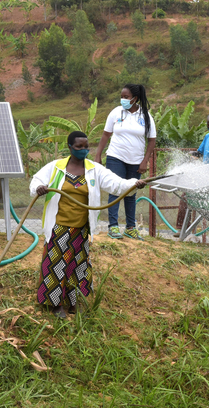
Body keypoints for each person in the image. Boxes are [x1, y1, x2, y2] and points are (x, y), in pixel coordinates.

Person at [31, 131, 147, 318]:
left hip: (81, 229)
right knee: (56, 265)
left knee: (79, 265)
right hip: (59, 227)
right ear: (70, 147)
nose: (84, 150)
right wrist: (38, 188)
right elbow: (37, 179)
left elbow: (116, 184)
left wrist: (134, 183)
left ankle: (75, 303)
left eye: (86, 147)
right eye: (79, 147)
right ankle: (55, 305)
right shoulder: (56, 167)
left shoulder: (94, 169)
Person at [94, 84, 157, 240]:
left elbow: (152, 140)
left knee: (130, 192)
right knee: (115, 190)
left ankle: (130, 227)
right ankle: (113, 227)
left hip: (135, 161)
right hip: (115, 157)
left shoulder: (145, 116)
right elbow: (105, 135)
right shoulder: (116, 112)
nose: (123, 99)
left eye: (126, 97)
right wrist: (98, 155)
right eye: (121, 97)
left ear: (135, 98)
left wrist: (145, 161)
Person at [174, 113, 209, 238]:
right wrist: (191, 155)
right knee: (185, 197)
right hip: (204, 176)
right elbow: (199, 152)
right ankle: (181, 228)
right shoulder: (207, 137)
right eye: (208, 125)